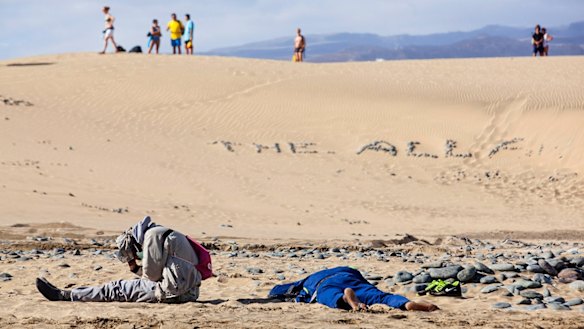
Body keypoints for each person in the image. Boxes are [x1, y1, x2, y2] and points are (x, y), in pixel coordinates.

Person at [36, 216, 202, 303]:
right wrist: (135, 269)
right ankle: (72, 293)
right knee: (123, 287)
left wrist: (135, 265)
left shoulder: (152, 236)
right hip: (188, 293)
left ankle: (64, 296)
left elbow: (151, 277)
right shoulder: (163, 232)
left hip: (172, 292)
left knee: (115, 288)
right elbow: (160, 272)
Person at [269, 266, 439, 312]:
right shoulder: (342, 268)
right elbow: (365, 282)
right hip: (352, 276)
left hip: (325, 284)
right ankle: (406, 304)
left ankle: (346, 300)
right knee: (380, 297)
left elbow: (279, 290)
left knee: (330, 296)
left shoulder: (308, 279)